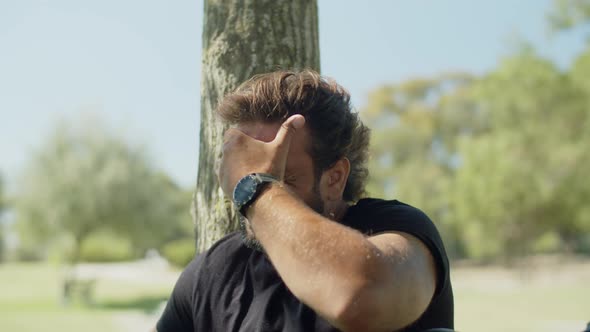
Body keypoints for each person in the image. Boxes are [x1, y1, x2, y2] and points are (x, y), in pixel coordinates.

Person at [156, 70, 454, 332]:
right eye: (246, 170)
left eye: (279, 174)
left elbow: (358, 299)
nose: (248, 190)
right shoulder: (213, 272)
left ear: (334, 178)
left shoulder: (397, 228)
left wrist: (256, 188)